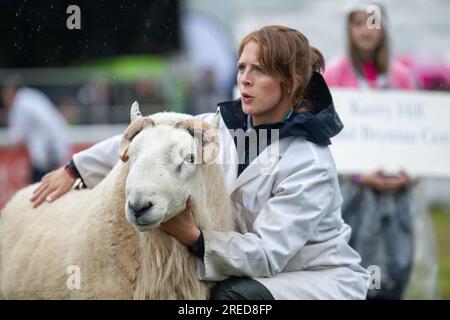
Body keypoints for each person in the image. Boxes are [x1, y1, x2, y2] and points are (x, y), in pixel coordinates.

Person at [30, 25, 369, 300]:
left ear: (290, 82)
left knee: (232, 298)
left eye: (259, 70)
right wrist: (74, 169)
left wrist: (193, 236)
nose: (245, 79)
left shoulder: (309, 163)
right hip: (247, 265)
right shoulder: (217, 126)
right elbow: (152, 135)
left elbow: (266, 255)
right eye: (241, 67)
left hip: (310, 278)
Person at [324, 0, 415, 299]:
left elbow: (415, 135)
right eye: (358, 22)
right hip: (351, 192)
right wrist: (361, 176)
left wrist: (409, 174)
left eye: (373, 21)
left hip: (395, 192)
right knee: (355, 263)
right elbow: (328, 138)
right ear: (348, 28)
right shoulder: (335, 76)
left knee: (395, 264)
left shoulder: (401, 77)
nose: (366, 30)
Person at [1, 78, 69, 183]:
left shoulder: (21, 103)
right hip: (54, 144)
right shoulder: (30, 96)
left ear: (11, 91)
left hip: (46, 150)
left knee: (40, 186)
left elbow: (16, 135)